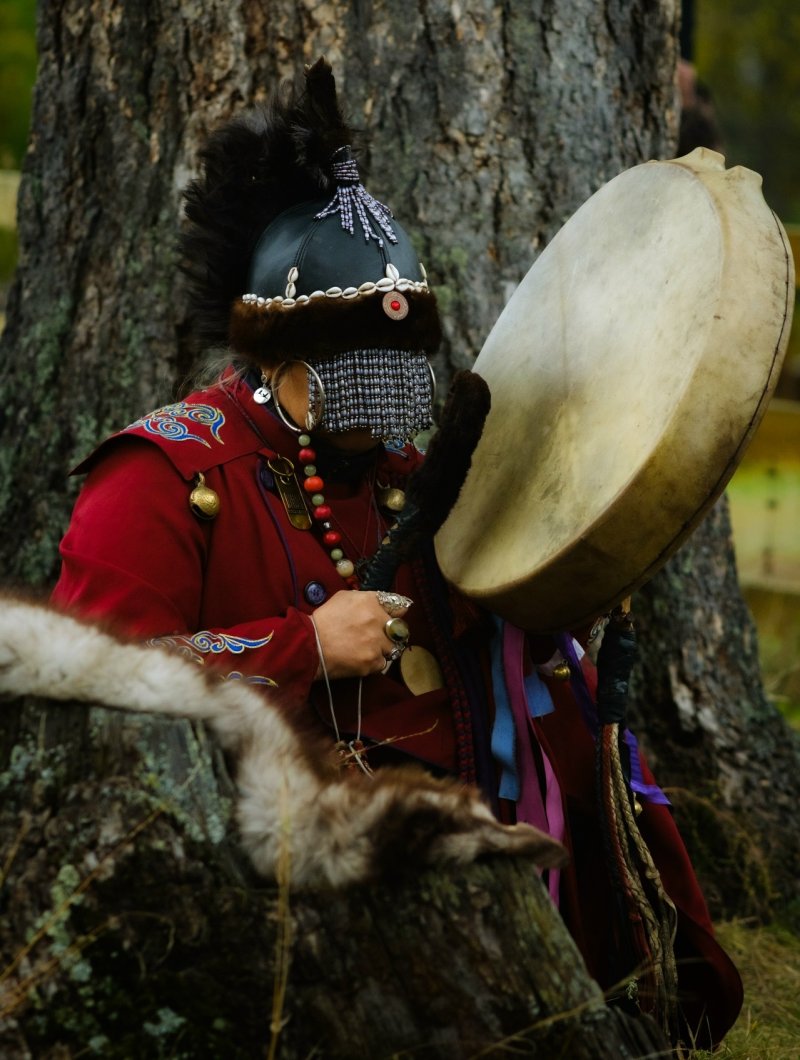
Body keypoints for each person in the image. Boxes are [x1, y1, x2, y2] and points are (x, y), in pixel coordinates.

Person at [52, 59, 741, 1048]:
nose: (380, 413)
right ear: (276, 355)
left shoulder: (404, 474)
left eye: (393, 378)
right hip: (274, 862)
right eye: (351, 378)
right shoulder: (160, 476)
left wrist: (554, 589)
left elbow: (490, 643)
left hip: (455, 846)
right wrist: (300, 645)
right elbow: (87, 687)